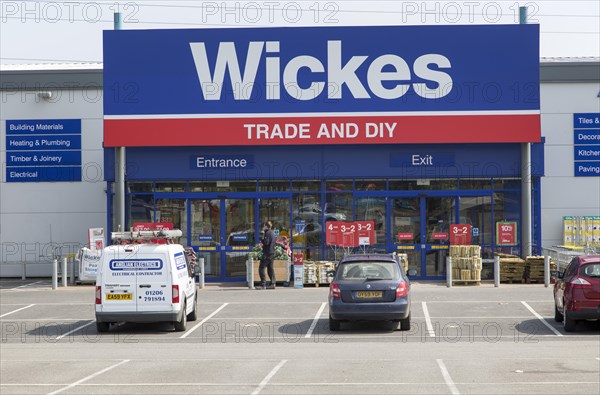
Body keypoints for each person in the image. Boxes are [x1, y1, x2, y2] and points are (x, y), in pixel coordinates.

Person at [259, 221, 276, 289]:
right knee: (270, 269)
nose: (262, 227)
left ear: (266, 226)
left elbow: (266, 242)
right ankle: (273, 283)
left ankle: (263, 284)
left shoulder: (267, 233)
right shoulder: (272, 233)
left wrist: (262, 238)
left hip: (267, 253)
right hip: (271, 252)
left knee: (261, 268)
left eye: (263, 226)